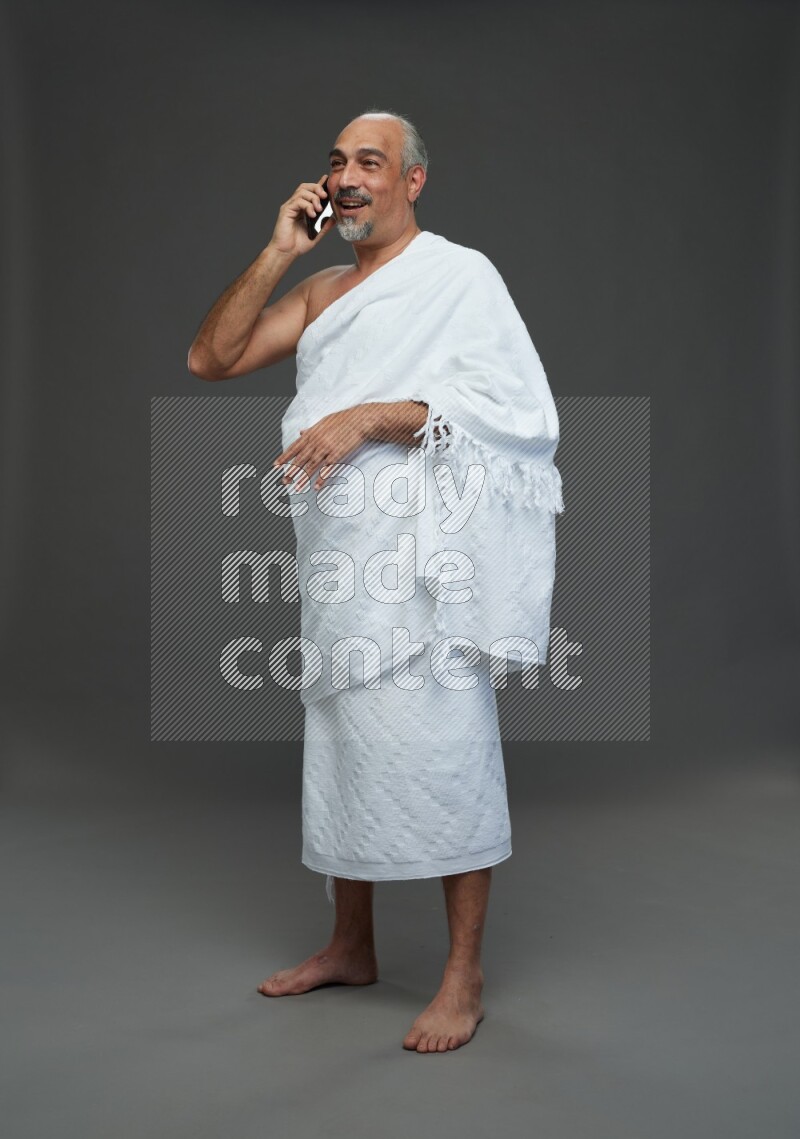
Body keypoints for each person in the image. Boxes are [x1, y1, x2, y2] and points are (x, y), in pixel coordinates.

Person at [187, 109, 563, 1053]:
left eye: (370, 161)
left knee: (449, 747)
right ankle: (351, 944)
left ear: (412, 180)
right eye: (336, 162)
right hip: (339, 554)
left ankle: (463, 973)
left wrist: (370, 417)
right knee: (344, 743)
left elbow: (518, 410)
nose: (348, 176)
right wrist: (279, 250)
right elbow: (210, 358)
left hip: (428, 564)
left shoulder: (461, 276)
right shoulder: (321, 292)